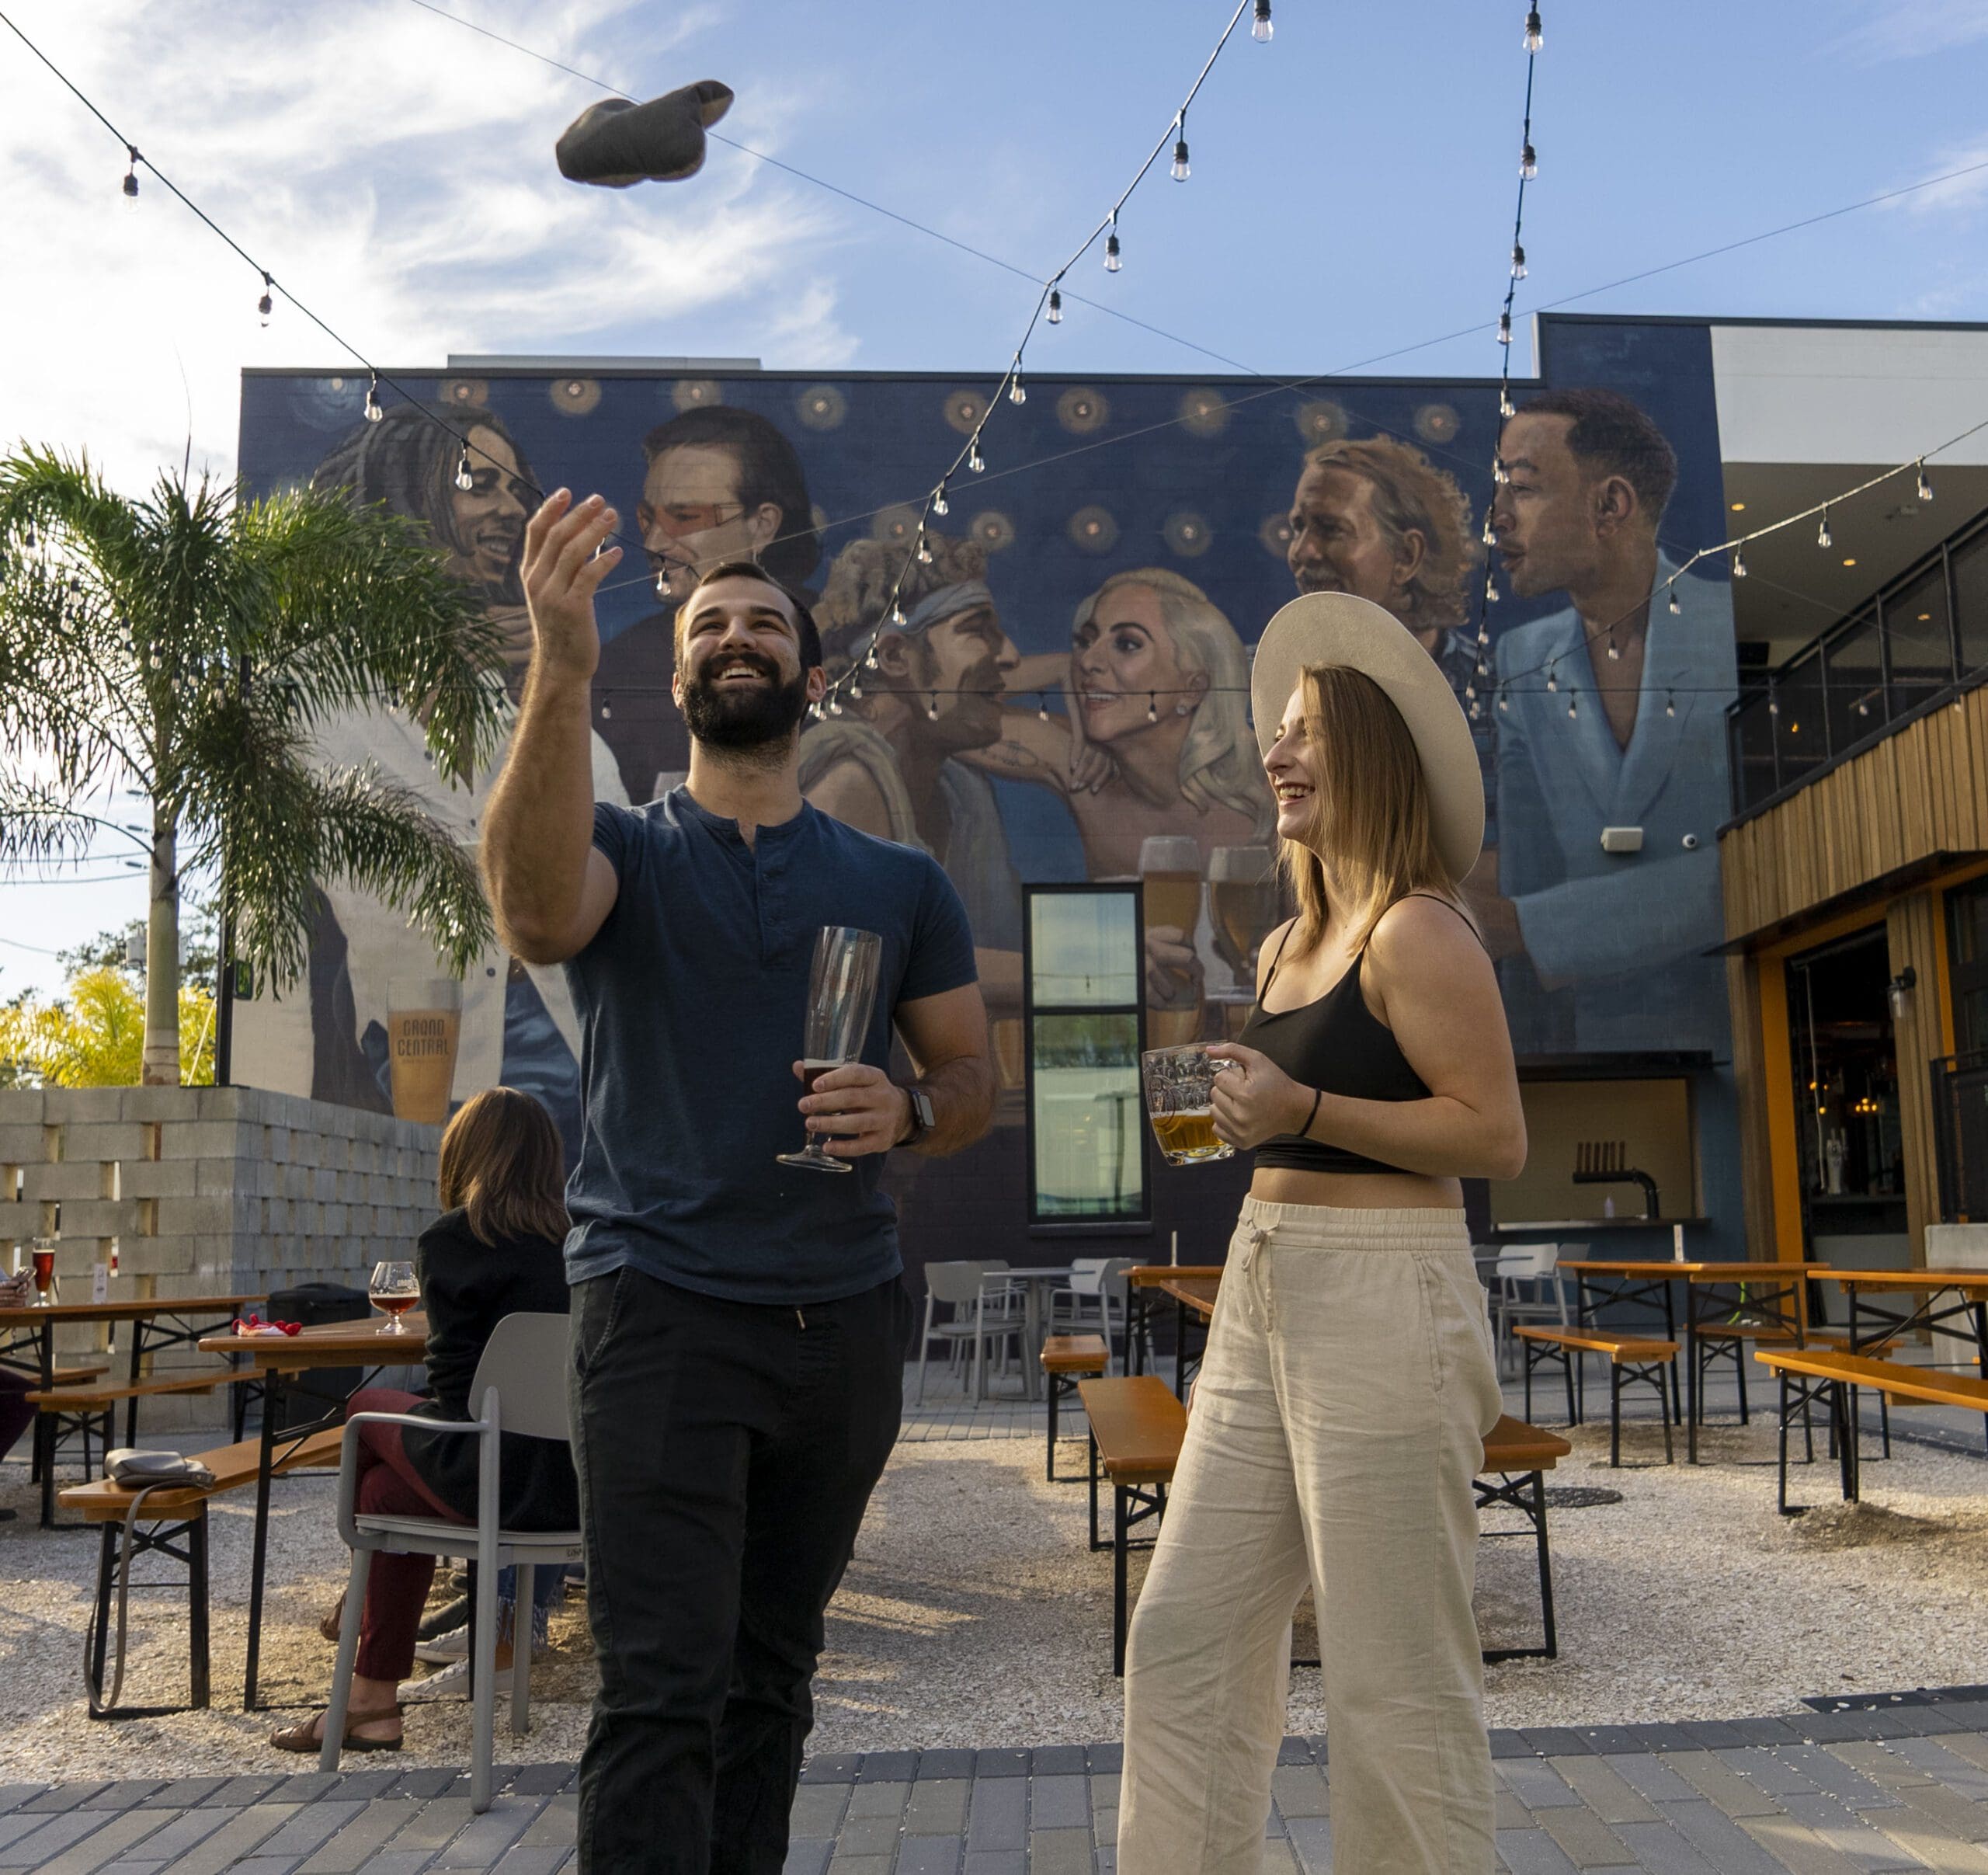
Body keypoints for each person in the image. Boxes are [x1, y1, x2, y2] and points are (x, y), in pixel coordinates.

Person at [481, 491, 995, 1875]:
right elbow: (529, 911)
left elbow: (970, 1080)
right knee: (658, 1690)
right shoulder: (628, 854)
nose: (738, 635)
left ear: (811, 676)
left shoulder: (899, 880)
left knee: (771, 1679)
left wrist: (912, 1105)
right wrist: (560, 659)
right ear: (680, 674)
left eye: (767, 620)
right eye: (711, 623)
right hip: (658, 1314)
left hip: (844, 1321)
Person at [1117, 592, 1524, 1875]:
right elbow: (1289, 1120)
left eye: (1305, 735)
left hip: (1387, 1296)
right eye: (1276, 733)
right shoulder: (1290, 937)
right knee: (1184, 1631)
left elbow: (1493, 1134)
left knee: (1391, 1673)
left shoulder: (1419, 926)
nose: (1276, 756)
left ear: (1372, 759)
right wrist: (1231, 1106)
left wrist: (1300, 1102)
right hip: (1264, 1285)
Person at [231, 403, 630, 1167]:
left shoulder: (529, 701)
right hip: (404, 1072)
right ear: (395, 504)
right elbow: (270, 944)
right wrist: (265, 1129)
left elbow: (619, 862)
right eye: (476, 483)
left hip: (573, 1074)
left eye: (517, 489)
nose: (510, 508)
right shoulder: (303, 701)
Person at [272, 1085, 579, 1755]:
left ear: (468, 1154)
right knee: (383, 1498)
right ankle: (372, 1706)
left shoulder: (454, 1239)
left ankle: (355, 1620)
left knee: (361, 1409)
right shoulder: (580, 1242)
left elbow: (452, 1397)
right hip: (575, 1490)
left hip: (488, 1476)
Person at [1486, 388, 1733, 1052]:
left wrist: (1527, 928)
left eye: (1523, 488)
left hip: (1747, 1040)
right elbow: (1527, 872)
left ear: (1610, 505)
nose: (1497, 519)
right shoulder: (1523, 658)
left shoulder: (1730, 633)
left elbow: (1757, 865)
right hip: (1590, 1057)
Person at [800, 530, 1026, 977]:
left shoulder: (964, 798)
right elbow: (866, 969)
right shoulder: (844, 784)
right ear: (896, 656)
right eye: (978, 630)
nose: (1012, 656)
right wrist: (1087, 970)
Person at [968, 567, 1274, 877]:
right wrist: (1061, 666)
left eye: (1127, 644)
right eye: (1087, 642)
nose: (1088, 661)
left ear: (1192, 689)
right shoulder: (1082, 772)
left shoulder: (1271, 785)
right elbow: (935, 709)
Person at [593, 406, 822, 804]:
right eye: (648, 521)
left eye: (684, 516)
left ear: (763, 524)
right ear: (678, 686)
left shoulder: (846, 635)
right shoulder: (619, 663)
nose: (653, 545)